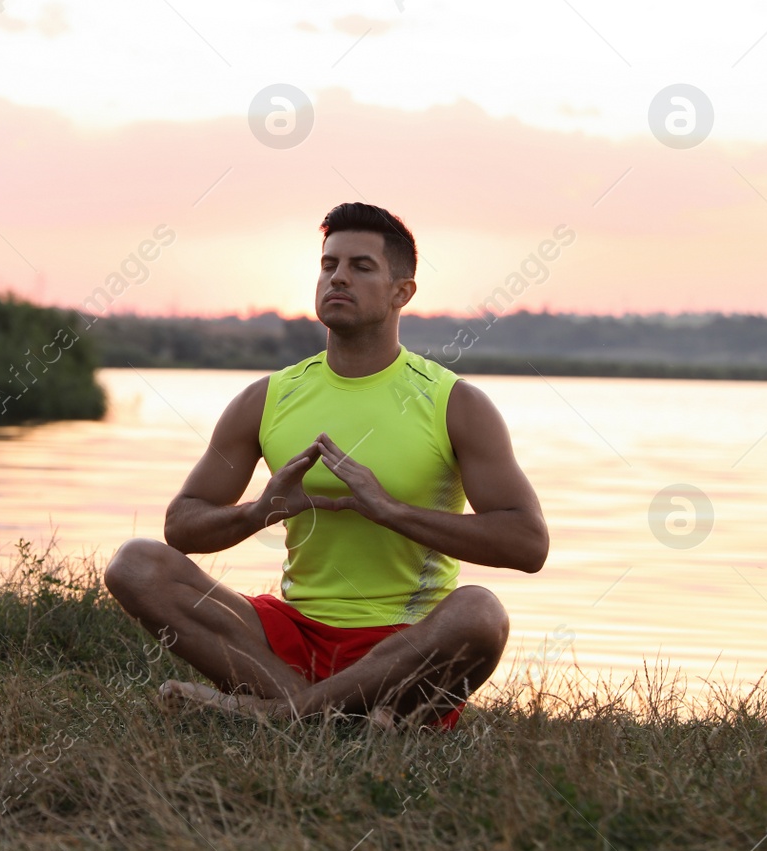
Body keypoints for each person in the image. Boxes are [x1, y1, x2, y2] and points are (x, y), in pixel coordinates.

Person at [104, 202, 549, 728]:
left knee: (481, 614)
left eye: (361, 267)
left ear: (402, 292)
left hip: (405, 650)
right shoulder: (268, 398)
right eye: (328, 264)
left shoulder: (455, 404)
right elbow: (181, 526)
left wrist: (391, 511)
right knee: (135, 564)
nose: (338, 277)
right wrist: (259, 512)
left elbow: (528, 544)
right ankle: (322, 715)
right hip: (288, 641)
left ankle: (281, 716)